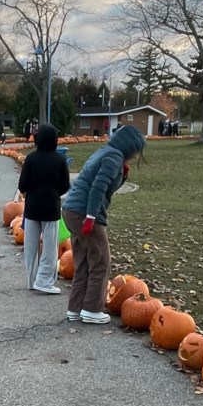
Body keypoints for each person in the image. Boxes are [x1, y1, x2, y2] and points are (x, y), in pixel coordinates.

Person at [61, 125, 146, 324]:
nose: (135, 155)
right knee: (100, 261)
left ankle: (76, 308)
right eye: (136, 150)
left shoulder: (105, 153)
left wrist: (123, 175)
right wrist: (91, 217)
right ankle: (91, 309)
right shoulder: (114, 158)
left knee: (82, 262)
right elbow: (98, 188)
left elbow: (104, 185)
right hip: (85, 212)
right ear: (129, 146)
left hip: (71, 210)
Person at [17, 124, 71, 294]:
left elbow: (22, 185)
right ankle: (45, 280)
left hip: (32, 207)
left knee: (31, 246)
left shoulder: (31, 159)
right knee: (49, 247)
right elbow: (65, 186)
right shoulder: (60, 160)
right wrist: (53, 192)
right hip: (51, 207)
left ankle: (31, 280)